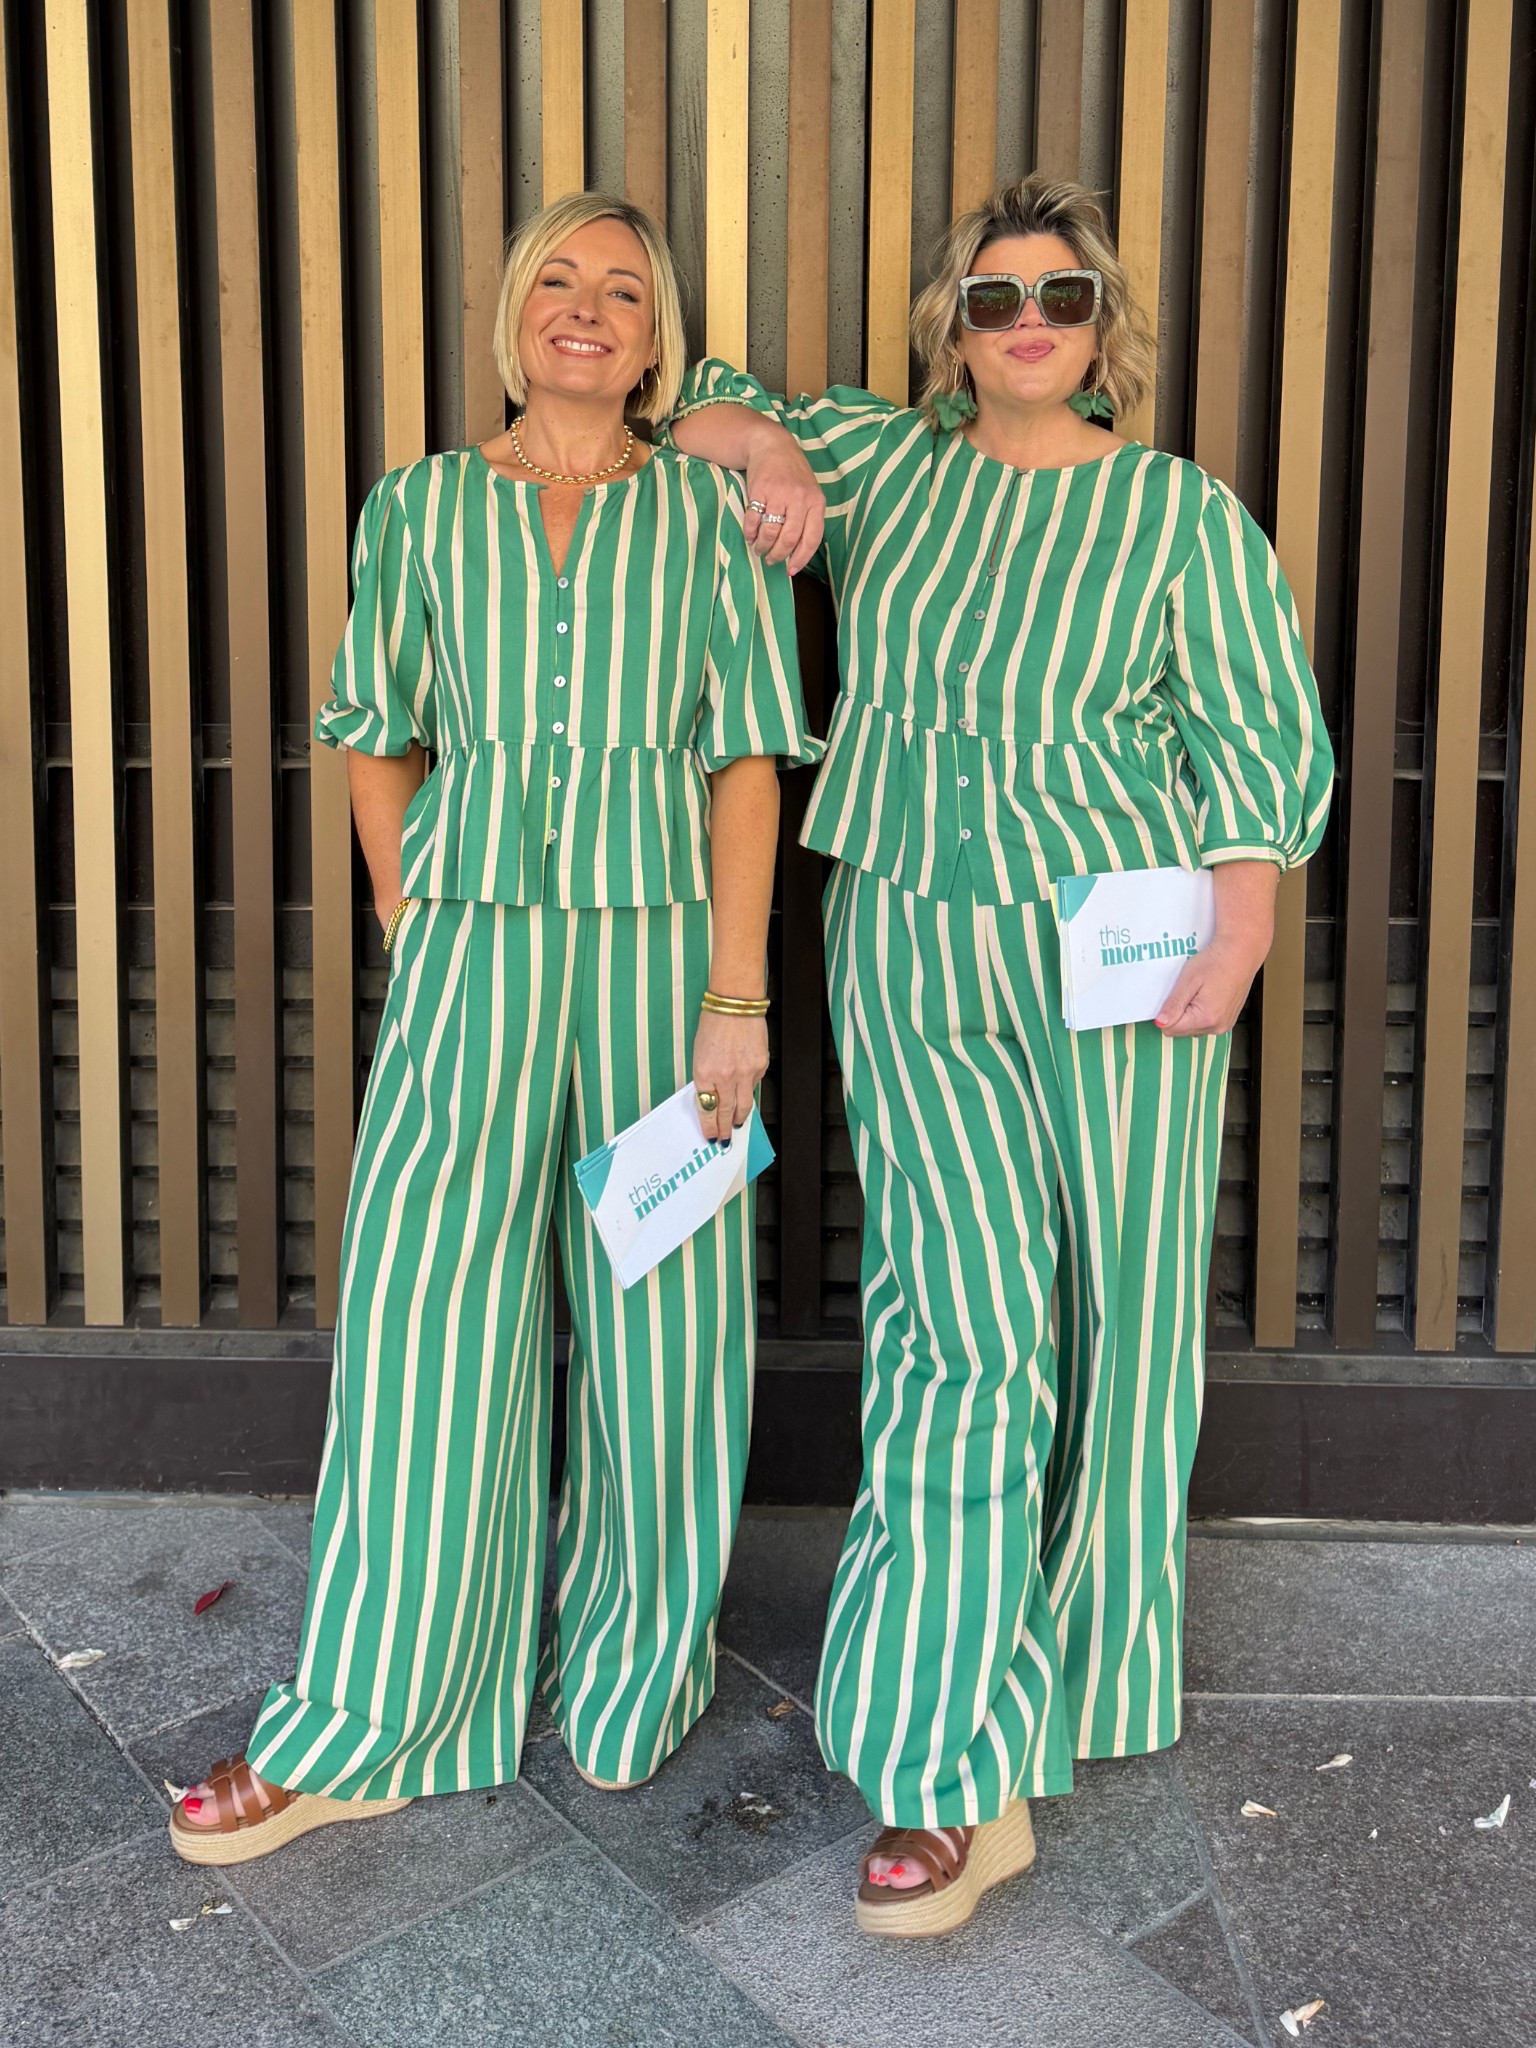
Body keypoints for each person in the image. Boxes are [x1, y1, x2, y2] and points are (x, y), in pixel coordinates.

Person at [669, 173, 1333, 1937]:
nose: (1026, 319)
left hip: (1122, 949)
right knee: (957, 1320)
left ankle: (1094, 1671)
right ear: (948, 327)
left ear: (1104, 322)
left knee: (1122, 1302)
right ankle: (949, 1753)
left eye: (1058, 294)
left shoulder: (1182, 513)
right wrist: (781, 458)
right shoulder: (884, 463)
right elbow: (696, 405)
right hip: (906, 924)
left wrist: (1247, 922)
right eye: (991, 297)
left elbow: (1256, 728)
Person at [169, 192, 820, 1865]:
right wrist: (411, 910)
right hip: (474, 947)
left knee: (660, 1318)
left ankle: (633, 1662)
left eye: (622, 290)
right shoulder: (423, 507)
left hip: (666, 948)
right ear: (513, 314)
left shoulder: (705, 511)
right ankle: (384, 1710)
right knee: (423, 1315)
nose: (586, 308)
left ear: (658, 341)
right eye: (557, 280)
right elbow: (373, 731)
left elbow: (747, 761)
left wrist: (737, 1001)